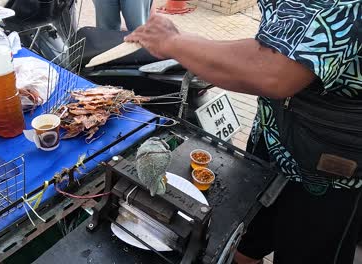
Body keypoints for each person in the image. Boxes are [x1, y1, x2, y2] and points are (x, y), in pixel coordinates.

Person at [125, 1, 362, 263]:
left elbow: (277, 70)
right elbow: (274, 42)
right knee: (242, 245)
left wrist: (174, 43)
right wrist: (186, 42)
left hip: (326, 172)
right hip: (271, 145)